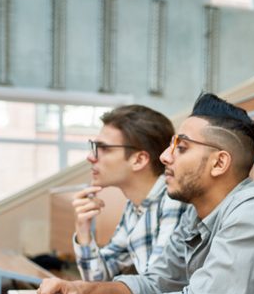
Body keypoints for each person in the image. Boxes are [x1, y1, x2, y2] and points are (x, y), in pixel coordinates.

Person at [38, 93, 254, 294]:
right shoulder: (195, 213)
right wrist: (82, 290)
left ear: (219, 162)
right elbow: (155, 284)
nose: (165, 156)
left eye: (182, 147)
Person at [73, 105, 189, 281]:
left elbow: (158, 285)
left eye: (104, 148)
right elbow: (97, 277)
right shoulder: (135, 206)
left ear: (139, 159)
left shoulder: (173, 200)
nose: (91, 157)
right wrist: (83, 231)